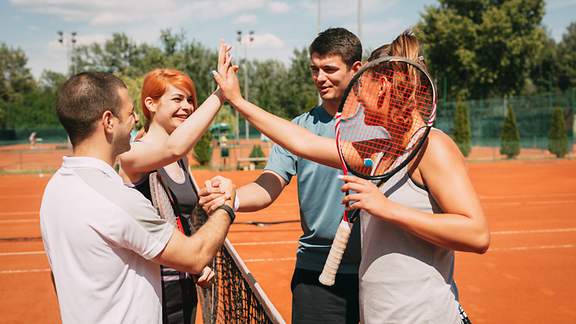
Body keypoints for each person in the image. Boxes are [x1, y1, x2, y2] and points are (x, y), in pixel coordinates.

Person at [209, 30, 490, 323]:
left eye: (362, 83)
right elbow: (302, 142)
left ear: (383, 85)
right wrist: (237, 101)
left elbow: (477, 233)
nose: (358, 97)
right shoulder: (382, 149)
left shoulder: (433, 146)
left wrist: (386, 208)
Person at [40, 71, 236, 324]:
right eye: (130, 112)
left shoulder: (55, 189)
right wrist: (226, 207)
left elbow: (58, 276)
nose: (135, 120)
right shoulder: (119, 201)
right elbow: (195, 255)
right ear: (109, 121)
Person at [203, 28, 363, 324]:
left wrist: (237, 100)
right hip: (315, 272)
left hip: (374, 272)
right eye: (314, 69)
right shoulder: (298, 128)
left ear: (355, 69)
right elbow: (269, 184)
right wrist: (234, 196)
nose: (320, 78)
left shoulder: (377, 126)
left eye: (329, 69)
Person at [117, 43, 232, 324]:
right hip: (151, 292)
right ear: (150, 104)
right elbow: (174, 148)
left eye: (190, 100)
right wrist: (221, 94)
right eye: (177, 99)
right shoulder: (132, 154)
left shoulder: (180, 160)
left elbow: (185, 217)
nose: (187, 107)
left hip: (184, 284)